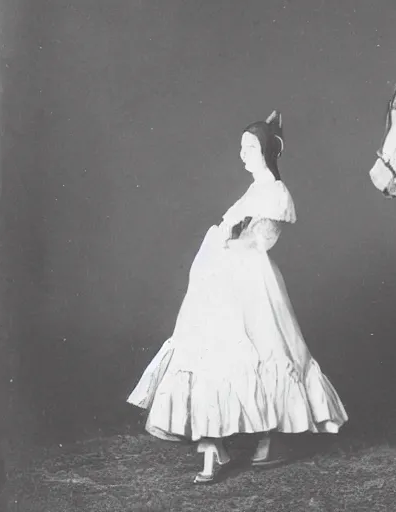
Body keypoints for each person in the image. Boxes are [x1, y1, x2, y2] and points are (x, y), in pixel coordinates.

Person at [126, 110, 348, 484]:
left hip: (252, 280)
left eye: (249, 147)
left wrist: (230, 239)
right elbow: (233, 232)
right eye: (241, 147)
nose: (242, 154)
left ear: (265, 151)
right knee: (212, 350)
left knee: (266, 350)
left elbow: (261, 239)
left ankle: (269, 436)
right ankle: (214, 445)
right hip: (225, 277)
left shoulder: (275, 192)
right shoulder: (252, 191)